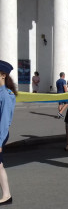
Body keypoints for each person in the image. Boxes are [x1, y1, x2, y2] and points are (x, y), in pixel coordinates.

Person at [0, 60, 17, 205]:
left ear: (2, 75)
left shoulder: (5, 95)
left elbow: (5, 122)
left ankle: (7, 195)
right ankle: (7, 195)